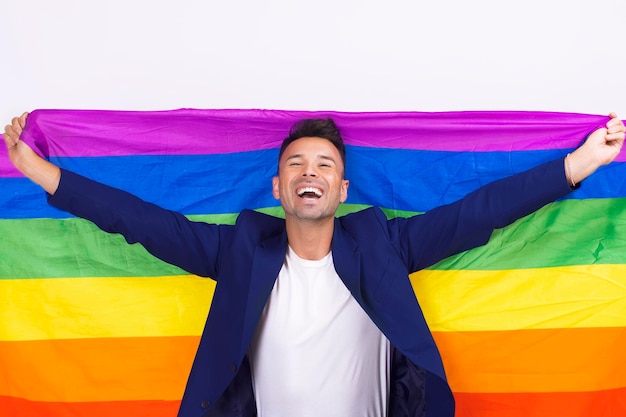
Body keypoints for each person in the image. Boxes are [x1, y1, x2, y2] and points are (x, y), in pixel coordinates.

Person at [3, 112, 625, 417]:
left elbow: (479, 212)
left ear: (343, 189)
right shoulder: (241, 248)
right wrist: (40, 174)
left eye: (324, 165)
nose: (310, 173)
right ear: (278, 188)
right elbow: (140, 222)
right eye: (297, 165)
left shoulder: (381, 243)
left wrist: (582, 162)